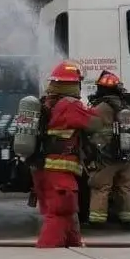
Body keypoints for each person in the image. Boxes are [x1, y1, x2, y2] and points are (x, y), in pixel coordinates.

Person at [35, 61, 104, 248]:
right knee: (60, 212)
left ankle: (74, 245)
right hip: (60, 170)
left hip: (44, 170)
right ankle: (46, 252)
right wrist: (105, 104)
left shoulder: (48, 103)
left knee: (69, 211)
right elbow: (95, 122)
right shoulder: (70, 105)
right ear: (73, 85)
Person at [86, 70, 130, 229]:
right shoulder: (127, 106)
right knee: (126, 187)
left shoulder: (101, 107)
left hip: (106, 156)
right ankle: (128, 219)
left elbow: (89, 127)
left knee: (101, 187)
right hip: (127, 156)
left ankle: (97, 221)